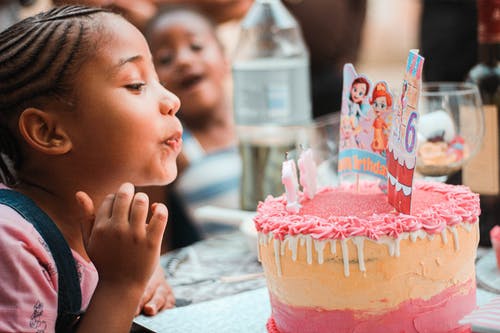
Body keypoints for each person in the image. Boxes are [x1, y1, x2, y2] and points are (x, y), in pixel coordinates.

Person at [0, 5, 180, 332]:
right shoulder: (11, 244)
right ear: (49, 132)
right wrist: (121, 286)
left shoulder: (107, 225)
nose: (171, 100)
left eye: (158, 80)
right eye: (137, 84)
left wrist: (144, 274)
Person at [144, 6, 241, 240]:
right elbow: (155, 243)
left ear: (225, 59)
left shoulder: (258, 124)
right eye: (166, 59)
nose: (184, 60)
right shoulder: (173, 149)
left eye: (196, 46)